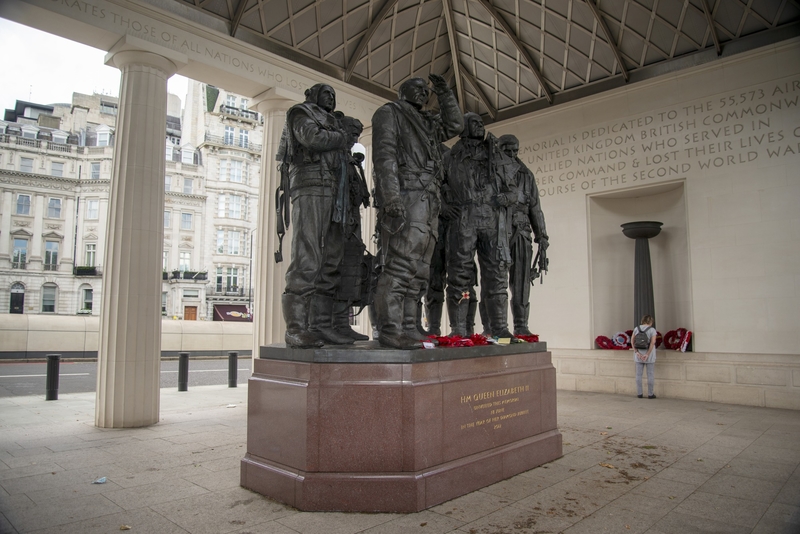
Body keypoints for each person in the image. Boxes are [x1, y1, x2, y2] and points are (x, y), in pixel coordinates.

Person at [371, 74, 464, 349]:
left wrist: (445, 93)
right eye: (417, 89)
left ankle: (410, 327)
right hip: (407, 195)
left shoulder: (428, 122)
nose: (423, 94)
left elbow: (455, 124)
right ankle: (390, 328)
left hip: (429, 198)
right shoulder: (390, 113)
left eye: (427, 91)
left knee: (420, 269)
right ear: (402, 91)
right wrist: (391, 199)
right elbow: (384, 157)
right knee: (400, 265)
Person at [277, 83, 353, 348]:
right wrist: (343, 137)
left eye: (334, 95)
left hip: (335, 190)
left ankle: (320, 325)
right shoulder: (301, 112)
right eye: (326, 93)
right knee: (307, 255)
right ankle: (296, 328)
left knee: (332, 259)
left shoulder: (333, 121)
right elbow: (313, 138)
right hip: (311, 186)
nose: (331, 98)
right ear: (311, 95)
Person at [445, 113, 516, 339]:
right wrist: (444, 207)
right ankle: (458, 329)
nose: (480, 126)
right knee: (460, 274)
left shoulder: (497, 156)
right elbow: (435, 185)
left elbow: (514, 190)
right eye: (475, 123)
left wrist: (506, 198)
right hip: (464, 217)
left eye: (481, 123)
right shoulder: (450, 157)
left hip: (492, 219)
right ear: (463, 127)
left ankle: (500, 329)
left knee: (496, 275)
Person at [498, 134, 548, 336]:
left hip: (522, 231)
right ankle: (497, 326)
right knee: (496, 281)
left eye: (514, 151)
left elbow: (535, 208)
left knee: (521, 281)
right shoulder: (492, 171)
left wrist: (542, 236)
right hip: (498, 231)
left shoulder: (526, 175)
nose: (511, 154)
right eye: (507, 150)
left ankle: (521, 325)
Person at [331, 118, 371, 341]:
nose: (354, 139)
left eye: (357, 135)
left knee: (351, 272)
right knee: (335, 271)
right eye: (351, 133)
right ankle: (332, 324)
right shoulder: (334, 157)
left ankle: (342, 323)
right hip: (338, 222)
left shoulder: (350, 162)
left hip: (352, 221)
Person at [633, 315, 657, 399]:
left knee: (638, 375)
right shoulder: (652, 330)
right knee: (650, 374)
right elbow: (652, 342)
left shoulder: (636, 329)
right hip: (649, 356)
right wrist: (647, 354)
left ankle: (639, 393)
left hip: (638, 354)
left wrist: (636, 352)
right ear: (651, 322)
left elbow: (632, 341)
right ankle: (650, 394)